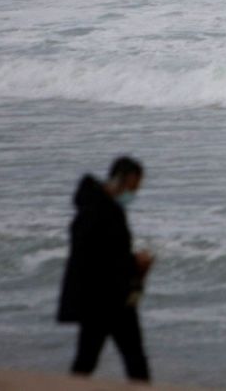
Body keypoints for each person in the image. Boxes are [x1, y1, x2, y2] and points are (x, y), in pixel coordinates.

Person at [57, 155, 154, 382]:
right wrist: (136, 264)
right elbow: (102, 257)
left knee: (90, 359)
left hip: (102, 297)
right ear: (126, 179)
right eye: (135, 186)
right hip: (106, 299)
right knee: (132, 360)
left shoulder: (96, 208)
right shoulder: (101, 211)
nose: (135, 193)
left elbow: (103, 254)